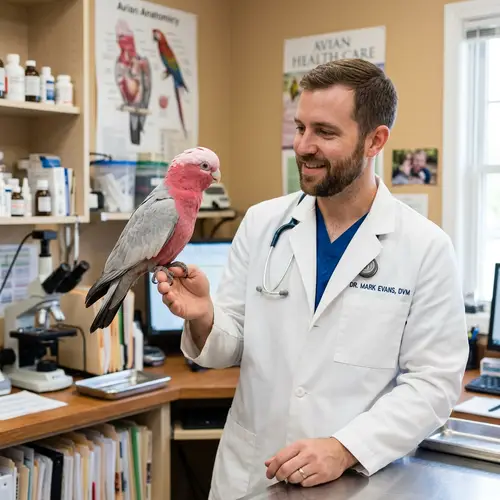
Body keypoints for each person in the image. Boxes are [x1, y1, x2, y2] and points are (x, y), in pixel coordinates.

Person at [156, 58, 469, 500]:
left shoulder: (425, 248)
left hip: (354, 482)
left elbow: (433, 385)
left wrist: (345, 448)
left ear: (375, 140)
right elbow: (233, 344)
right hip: (251, 475)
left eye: (325, 132)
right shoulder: (263, 223)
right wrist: (205, 317)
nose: (303, 146)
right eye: (300, 128)